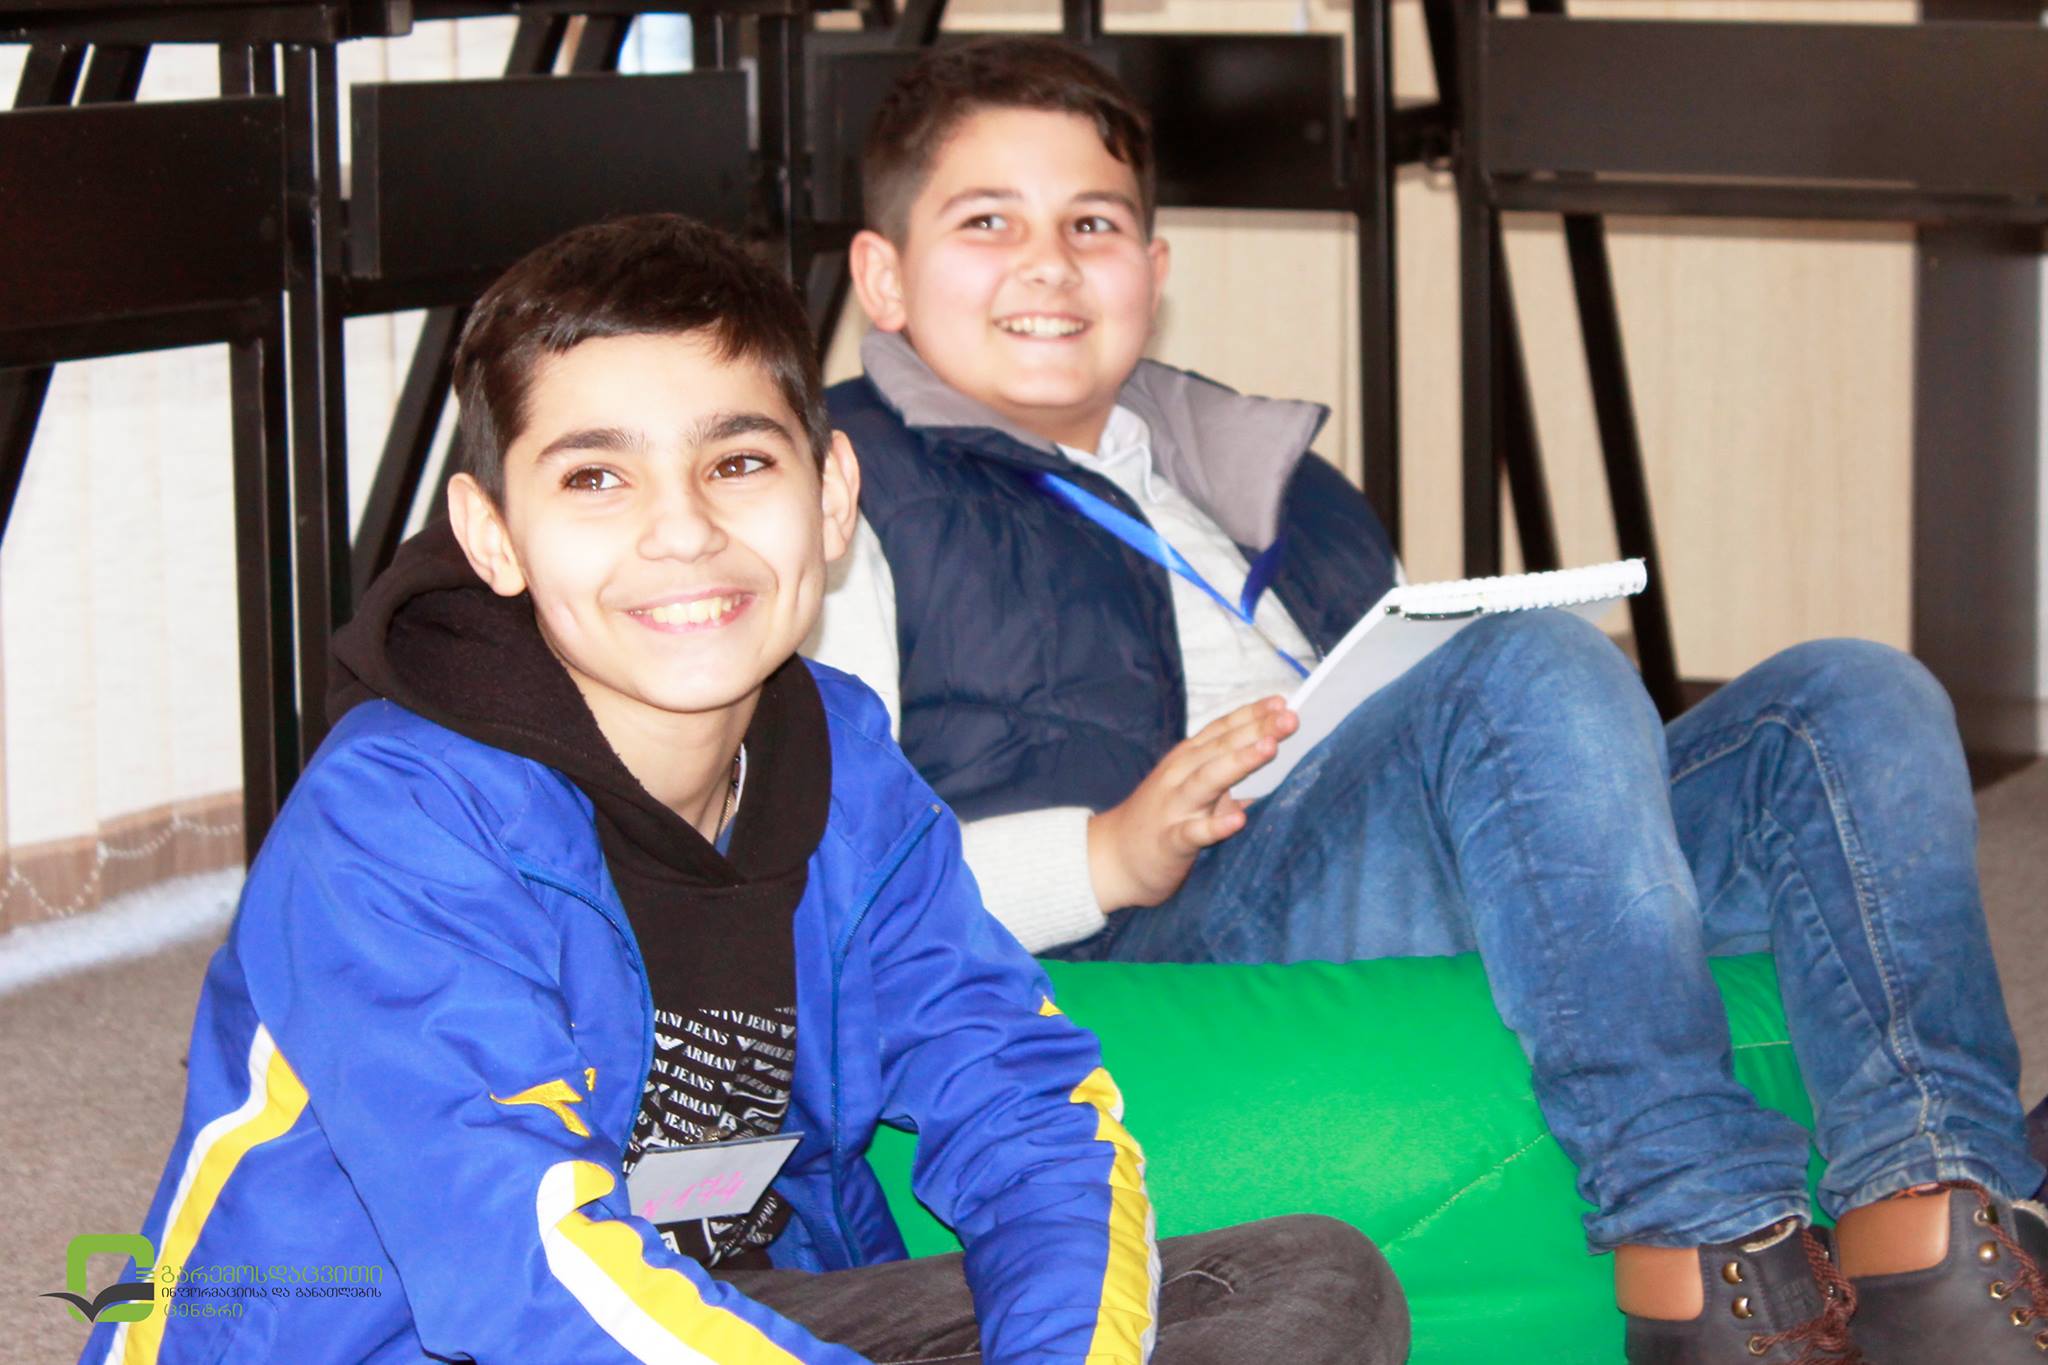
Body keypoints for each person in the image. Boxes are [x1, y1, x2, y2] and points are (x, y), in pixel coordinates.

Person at [805, 35, 2048, 1365]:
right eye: (987, 222)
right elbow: (830, 875)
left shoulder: (1289, 486)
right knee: (1526, 663)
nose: (1051, 264)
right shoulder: (847, 493)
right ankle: (1698, 1232)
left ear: (1154, 273)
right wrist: (1105, 852)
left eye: (1093, 224)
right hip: (1154, 937)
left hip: (1404, 866)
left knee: (1850, 697)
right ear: (883, 276)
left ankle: (1939, 1228)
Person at [82, 215, 1408, 1365]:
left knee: (1307, 1283)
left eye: (736, 462)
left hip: (744, 1313)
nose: (682, 530)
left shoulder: (846, 762)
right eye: (596, 477)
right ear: (493, 535)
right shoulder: (394, 820)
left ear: (830, 497)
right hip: (436, 1334)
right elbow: (518, 1265)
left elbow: (1017, 1099)